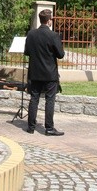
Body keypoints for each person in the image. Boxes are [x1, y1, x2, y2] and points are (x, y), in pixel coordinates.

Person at [24, 8, 66, 136]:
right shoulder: (53, 35)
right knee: (50, 100)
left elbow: (27, 52)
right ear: (49, 21)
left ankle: (30, 127)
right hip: (49, 73)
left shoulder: (31, 34)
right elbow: (60, 55)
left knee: (34, 98)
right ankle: (49, 128)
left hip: (35, 72)